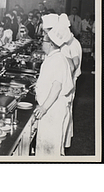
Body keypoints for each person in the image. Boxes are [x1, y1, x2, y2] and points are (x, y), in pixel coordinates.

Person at [34, 20, 74, 157]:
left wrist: (43, 107)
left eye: (43, 41)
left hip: (53, 109)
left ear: (51, 44)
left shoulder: (57, 60)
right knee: (46, 147)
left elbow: (57, 87)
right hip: (51, 108)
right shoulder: (53, 57)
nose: (41, 43)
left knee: (49, 149)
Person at [58, 14, 82, 149]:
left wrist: (65, 79)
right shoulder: (70, 41)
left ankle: (64, 141)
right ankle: (66, 140)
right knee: (67, 111)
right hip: (70, 81)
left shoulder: (72, 43)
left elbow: (75, 63)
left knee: (65, 111)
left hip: (70, 81)